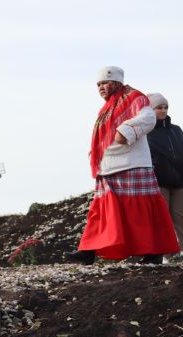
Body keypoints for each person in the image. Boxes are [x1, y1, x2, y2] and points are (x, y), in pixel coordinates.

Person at [67, 67, 178, 265]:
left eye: (105, 83)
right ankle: (88, 250)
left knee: (140, 211)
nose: (101, 88)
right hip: (108, 166)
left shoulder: (135, 97)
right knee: (100, 209)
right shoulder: (107, 108)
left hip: (132, 163)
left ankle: (154, 253)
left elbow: (148, 117)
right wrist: (97, 151)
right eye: (98, 84)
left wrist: (127, 130)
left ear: (116, 83)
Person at [147, 93, 183, 252]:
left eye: (165, 107)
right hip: (158, 181)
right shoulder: (145, 132)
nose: (163, 110)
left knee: (180, 217)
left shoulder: (176, 130)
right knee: (162, 219)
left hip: (179, 181)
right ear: (149, 109)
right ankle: (162, 252)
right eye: (158, 107)